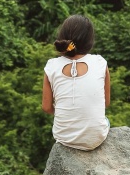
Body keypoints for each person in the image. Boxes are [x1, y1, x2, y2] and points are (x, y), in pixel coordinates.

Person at [42, 14, 111, 150]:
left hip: (64, 138)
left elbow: (46, 107)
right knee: (106, 121)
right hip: (96, 138)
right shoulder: (100, 62)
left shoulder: (51, 66)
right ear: (89, 40)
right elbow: (106, 103)